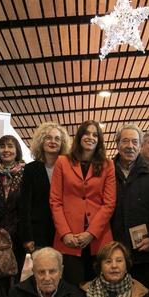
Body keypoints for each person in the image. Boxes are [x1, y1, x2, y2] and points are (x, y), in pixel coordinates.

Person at [50, 119, 116, 285]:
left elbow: (109, 204)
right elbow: (55, 201)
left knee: (99, 288)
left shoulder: (108, 165)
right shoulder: (62, 162)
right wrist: (65, 233)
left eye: (95, 135)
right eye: (86, 133)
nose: (90, 137)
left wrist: (91, 233)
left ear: (99, 140)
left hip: (98, 237)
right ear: (79, 137)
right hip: (69, 238)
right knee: (72, 288)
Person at [110, 124, 149, 288]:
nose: (130, 146)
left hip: (145, 251)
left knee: (144, 295)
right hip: (115, 248)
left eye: (135, 142)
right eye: (125, 141)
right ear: (117, 144)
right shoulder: (107, 171)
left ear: (140, 145)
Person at [19, 122, 70, 254]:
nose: (53, 141)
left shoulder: (69, 168)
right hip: (38, 234)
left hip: (64, 233)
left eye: (57, 138)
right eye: (48, 138)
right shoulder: (31, 169)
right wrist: (27, 237)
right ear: (41, 141)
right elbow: (25, 206)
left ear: (62, 143)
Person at [0, 134, 27, 278]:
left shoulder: (26, 173)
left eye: (10, 146)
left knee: (16, 274)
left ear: (17, 150)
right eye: (2, 146)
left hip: (18, 233)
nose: (6, 150)